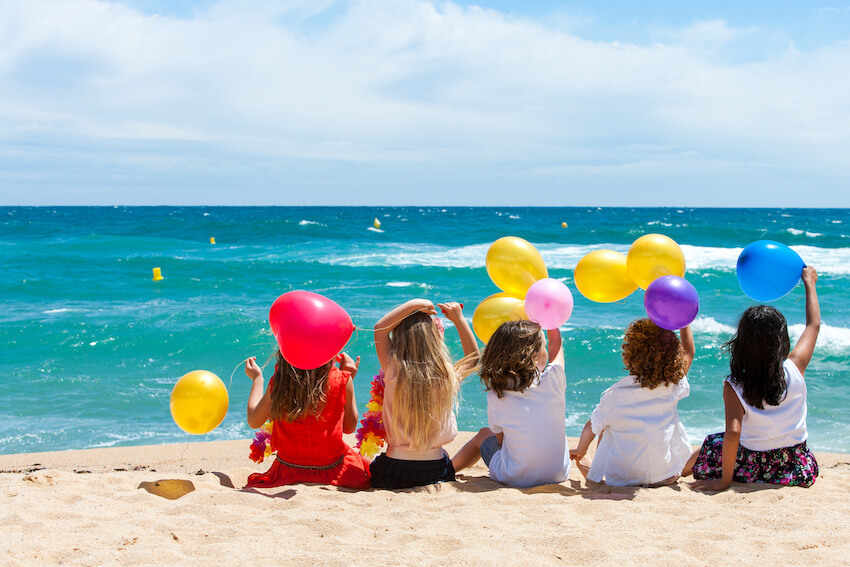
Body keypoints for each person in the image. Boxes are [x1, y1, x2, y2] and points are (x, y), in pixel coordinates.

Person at [684, 266, 821, 491]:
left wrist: (724, 481)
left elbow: (734, 433)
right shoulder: (795, 367)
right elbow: (813, 325)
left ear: (742, 344)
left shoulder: (734, 385)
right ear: (782, 341)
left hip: (752, 465)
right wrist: (810, 284)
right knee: (718, 441)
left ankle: (679, 470)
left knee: (712, 443)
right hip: (796, 465)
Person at [569, 320, 695, 486]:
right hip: (666, 476)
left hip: (623, 480)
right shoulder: (672, 385)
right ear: (674, 356)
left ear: (630, 354)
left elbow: (590, 427)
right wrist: (684, 323)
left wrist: (581, 450)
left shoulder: (614, 395)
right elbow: (689, 354)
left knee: (605, 427)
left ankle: (589, 466)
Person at [370, 299, 478, 489]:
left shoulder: (394, 369)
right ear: (436, 338)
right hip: (437, 470)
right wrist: (459, 319)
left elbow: (380, 329)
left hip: (393, 471)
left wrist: (416, 304)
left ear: (399, 338)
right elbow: (473, 359)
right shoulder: (446, 375)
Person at [452, 320, 570, 488]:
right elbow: (556, 344)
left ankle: (449, 468)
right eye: (543, 345)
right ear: (535, 356)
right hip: (559, 474)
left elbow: (501, 441)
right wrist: (548, 317)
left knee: (484, 435)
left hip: (514, 477)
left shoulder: (497, 395)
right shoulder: (554, 379)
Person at [243, 349, 371, 489]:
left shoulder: (280, 381)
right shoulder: (342, 379)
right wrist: (347, 380)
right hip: (332, 469)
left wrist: (257, 379)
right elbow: (349, 427)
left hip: (287, 470)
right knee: (366, 463)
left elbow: (253, 421)